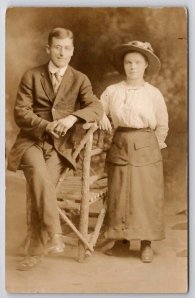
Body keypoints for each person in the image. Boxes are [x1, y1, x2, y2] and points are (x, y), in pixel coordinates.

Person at [7, 27, 103, 270]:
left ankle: (36, 248)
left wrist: (72, 119)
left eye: (67, 48)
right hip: (31, 140)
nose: (62, 52)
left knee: (43, 184)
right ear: (48, 49)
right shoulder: (32, 75)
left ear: (73, 51)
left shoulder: (80, 79)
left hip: (61, 147)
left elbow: (96, 107)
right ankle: (54, 235)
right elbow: (20, 112)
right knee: (40, 177)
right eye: (57, 47)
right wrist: (46, 126)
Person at [99, 40, 169, 263]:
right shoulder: (112, 91)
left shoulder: (153, 94)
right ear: (124, 65)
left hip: (147, 145)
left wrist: (151, 147)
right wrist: (101, 116)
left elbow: (163, 125)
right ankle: (122, 241)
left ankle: (146, 243)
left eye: (138, 62)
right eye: (129, 62)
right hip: (120, 144)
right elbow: (97, 110)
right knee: (120, 194)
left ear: (145, 65)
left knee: (145, 196)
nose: (133, 67)